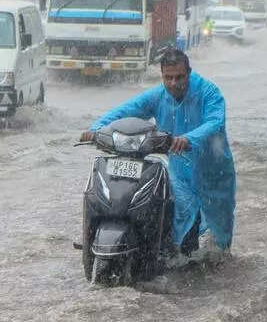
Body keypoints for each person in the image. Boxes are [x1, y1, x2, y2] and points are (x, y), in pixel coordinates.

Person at [80, 49, 236, 257]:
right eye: (168, 78)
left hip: (213, 172)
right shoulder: (157, 96)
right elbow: (125, 111)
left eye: (179, 77)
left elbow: (214, 122)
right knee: (174, 213)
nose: (173, 83)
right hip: (180, 171)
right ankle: (171, 256)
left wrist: (188, 138)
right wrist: (97, 129)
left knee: (220, 238)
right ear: (162, 75)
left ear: (189, 73)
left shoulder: (209, 92)